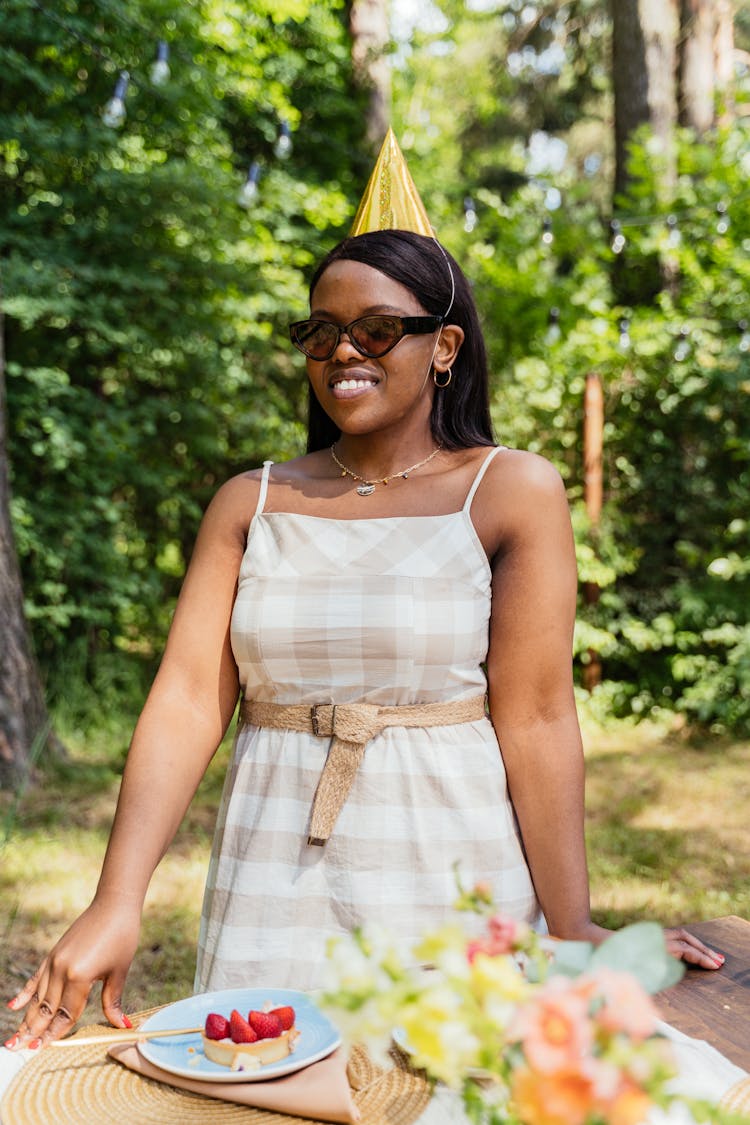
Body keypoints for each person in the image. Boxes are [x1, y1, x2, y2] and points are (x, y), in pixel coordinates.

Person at [5, 136, 724, 1053]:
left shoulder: (511, 490)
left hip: (451, 867)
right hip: (272, 873)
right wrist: (117, 898)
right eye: (320, 330)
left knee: (454, 1089)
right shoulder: (251, 500)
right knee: (266, 1085)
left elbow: (539, 715)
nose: (343, 347)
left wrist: (574, 922)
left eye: (377, 328)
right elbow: (187, 700)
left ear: (443, 346)